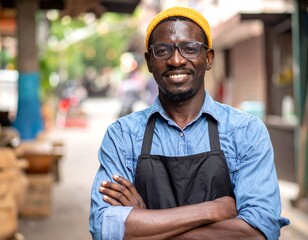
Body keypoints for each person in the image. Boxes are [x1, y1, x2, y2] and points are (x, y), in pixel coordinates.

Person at [89, 6, 289, 240]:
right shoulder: (122, 135)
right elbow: (105, 228)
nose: (176, 60)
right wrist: (211, 210)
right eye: (162, 50)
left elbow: (258, 232)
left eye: (189, 48)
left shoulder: (245, 132)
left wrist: (148, 223)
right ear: (149, 61)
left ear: (208, 58)